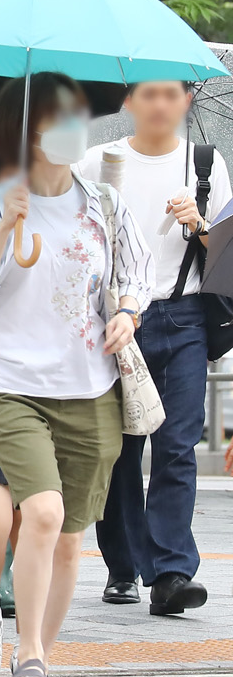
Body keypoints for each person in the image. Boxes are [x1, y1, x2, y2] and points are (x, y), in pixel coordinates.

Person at [0, 73, 149, 677]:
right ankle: (30, 657)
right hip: (9, 384)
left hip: (91, 384)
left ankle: (38, 655)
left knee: (71, 536)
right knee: (42, 512)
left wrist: (126, 312)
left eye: (77, 118)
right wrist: (1, 231)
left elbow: (131, 276)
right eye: (56, 118)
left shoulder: (102, 203)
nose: (71, 130)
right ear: (25, 131)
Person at [75, 81, 225, 614]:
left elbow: (226, 251)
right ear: (128, 103)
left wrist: (200, 223)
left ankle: (171, 572)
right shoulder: (100, 161)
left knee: (178, 445)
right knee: (120, 447)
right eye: (148, 94)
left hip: (184, 316)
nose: (160, 104)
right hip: (116, 317)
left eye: (171, 94)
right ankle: (121, 564)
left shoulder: (205, 164)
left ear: (186, 101)